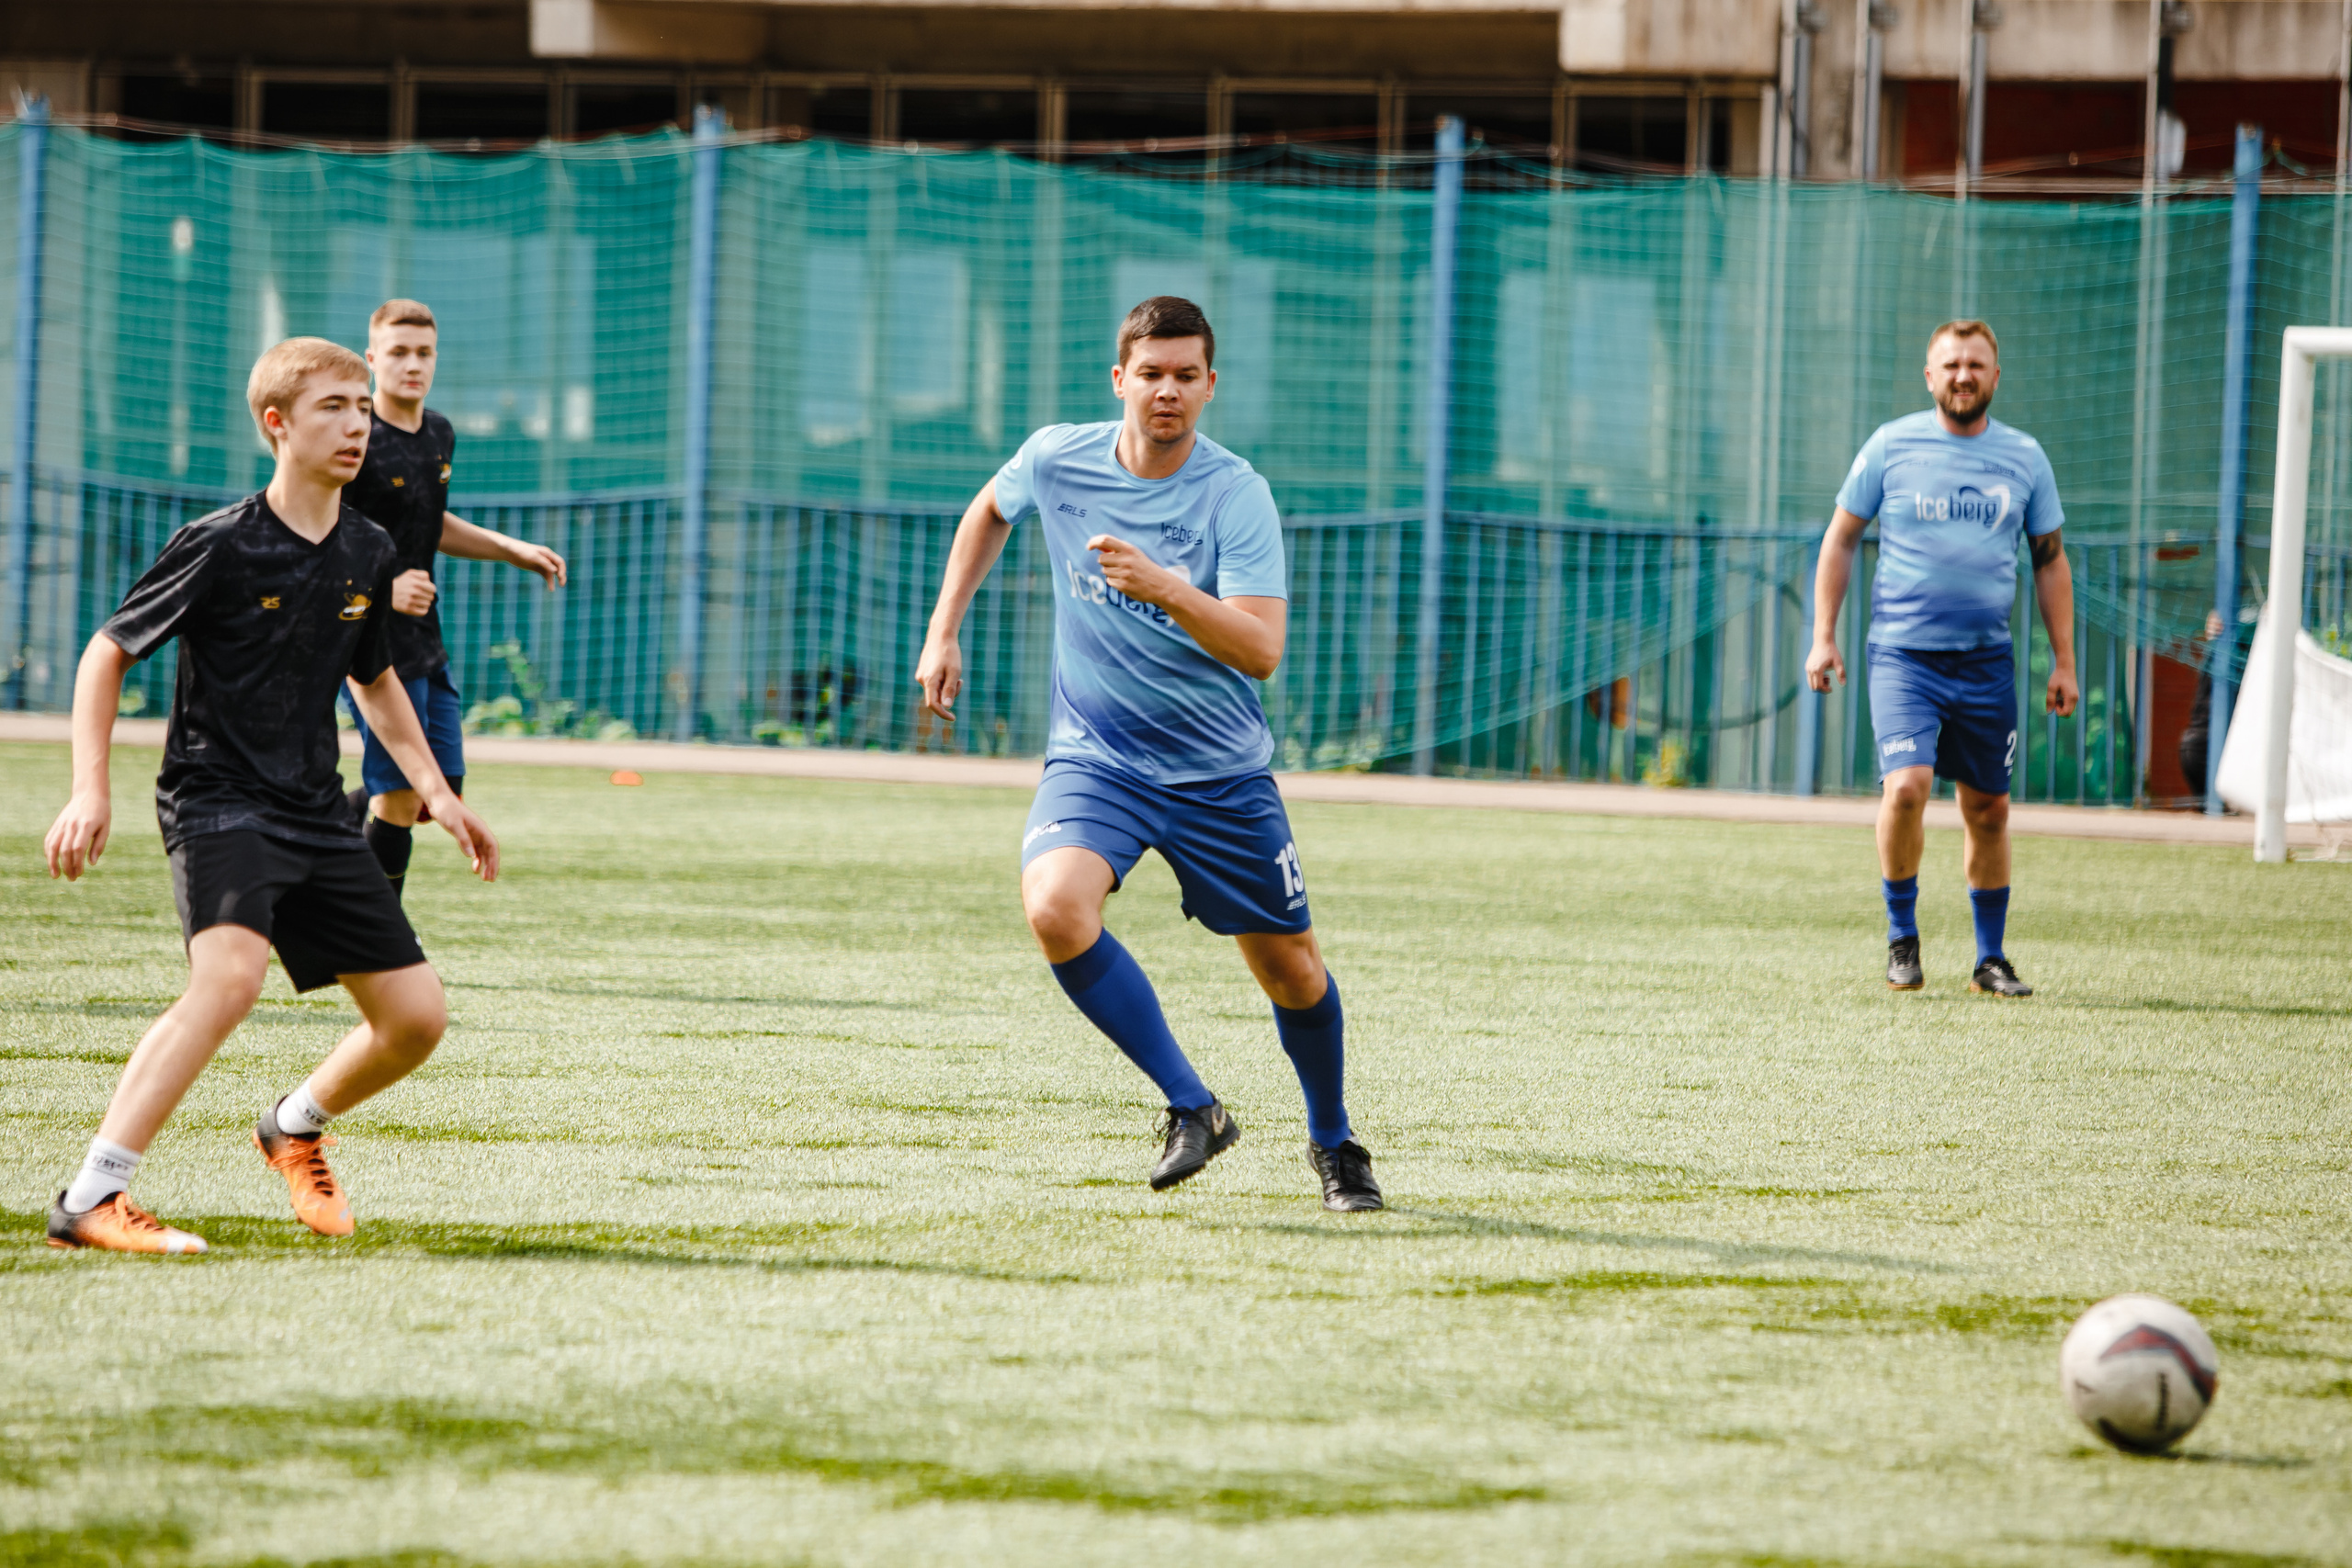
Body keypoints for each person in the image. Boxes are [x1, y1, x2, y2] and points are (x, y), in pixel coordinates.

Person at [914, 296, 1380, 1212]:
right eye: (1151, 373)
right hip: (1099, 760)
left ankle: (1334, 1143)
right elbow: (989, 508)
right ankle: (1193, 1105)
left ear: (1211, 386)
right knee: (1054, 906)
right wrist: (943, 630)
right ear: (1119, 379)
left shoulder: (1235, 493)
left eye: (1186, 375)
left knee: (1291, 970)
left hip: (1219, 773)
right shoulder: (1057, 455)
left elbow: (1260, 650)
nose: (1167, 391)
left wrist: (1165, 586)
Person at [40, 337, 499, 1255]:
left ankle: (292, 1125)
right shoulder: (220, 542)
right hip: (217, 800)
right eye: (334, 406)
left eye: (362, 407)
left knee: (415, 1020)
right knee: (229, 981)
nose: (357, 424)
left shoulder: (367, 548)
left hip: (313, 809)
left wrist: (437, 793)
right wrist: (90, 787)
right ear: (276, 424)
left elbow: (375, 683)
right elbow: (108, 650)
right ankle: (93, 1196)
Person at [1807, 319, 2075, 997]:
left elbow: (2049, 560)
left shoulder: (2025, 457)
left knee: (1988, 809)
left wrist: (2065, 661)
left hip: (1987, 664)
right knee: (1906, 788)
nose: (1963, 375)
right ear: (1930, 376)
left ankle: (1990, 958)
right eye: (1951, 364)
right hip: (1903, 657)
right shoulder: (1890, 447)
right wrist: (1823, 633)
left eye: (1976, 364)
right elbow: (1841, 539)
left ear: (1995, 375)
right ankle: (1903, 936)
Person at [342, 299, 565, 900]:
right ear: (371, 359)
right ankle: (375, 940)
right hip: (368, 638)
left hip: (424, 637)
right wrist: (383, 589)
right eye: (397, 352)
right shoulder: (355, 438)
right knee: (402, 794)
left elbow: (428, 520)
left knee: (437, 788)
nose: (412, 364)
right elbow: (321, 534)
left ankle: (315, 828)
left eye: (424, 353)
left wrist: (509, 548)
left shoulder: (439, 432)